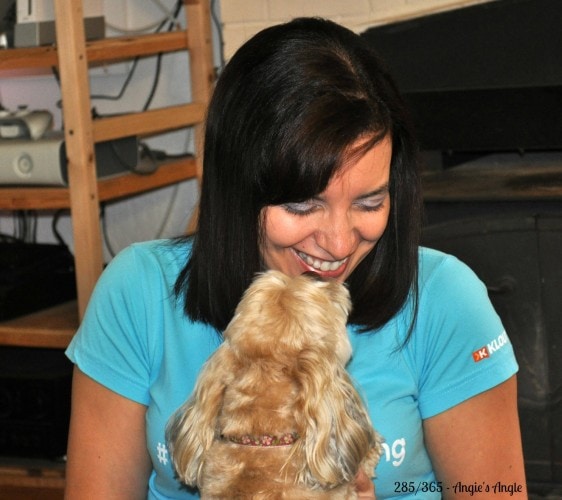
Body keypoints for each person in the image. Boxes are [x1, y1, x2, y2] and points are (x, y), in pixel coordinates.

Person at [64, 17, 526, 499]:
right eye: (303, 205)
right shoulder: (137, 291)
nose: (340, 243)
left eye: (369, 203)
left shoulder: (445, 300)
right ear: (238, 188)